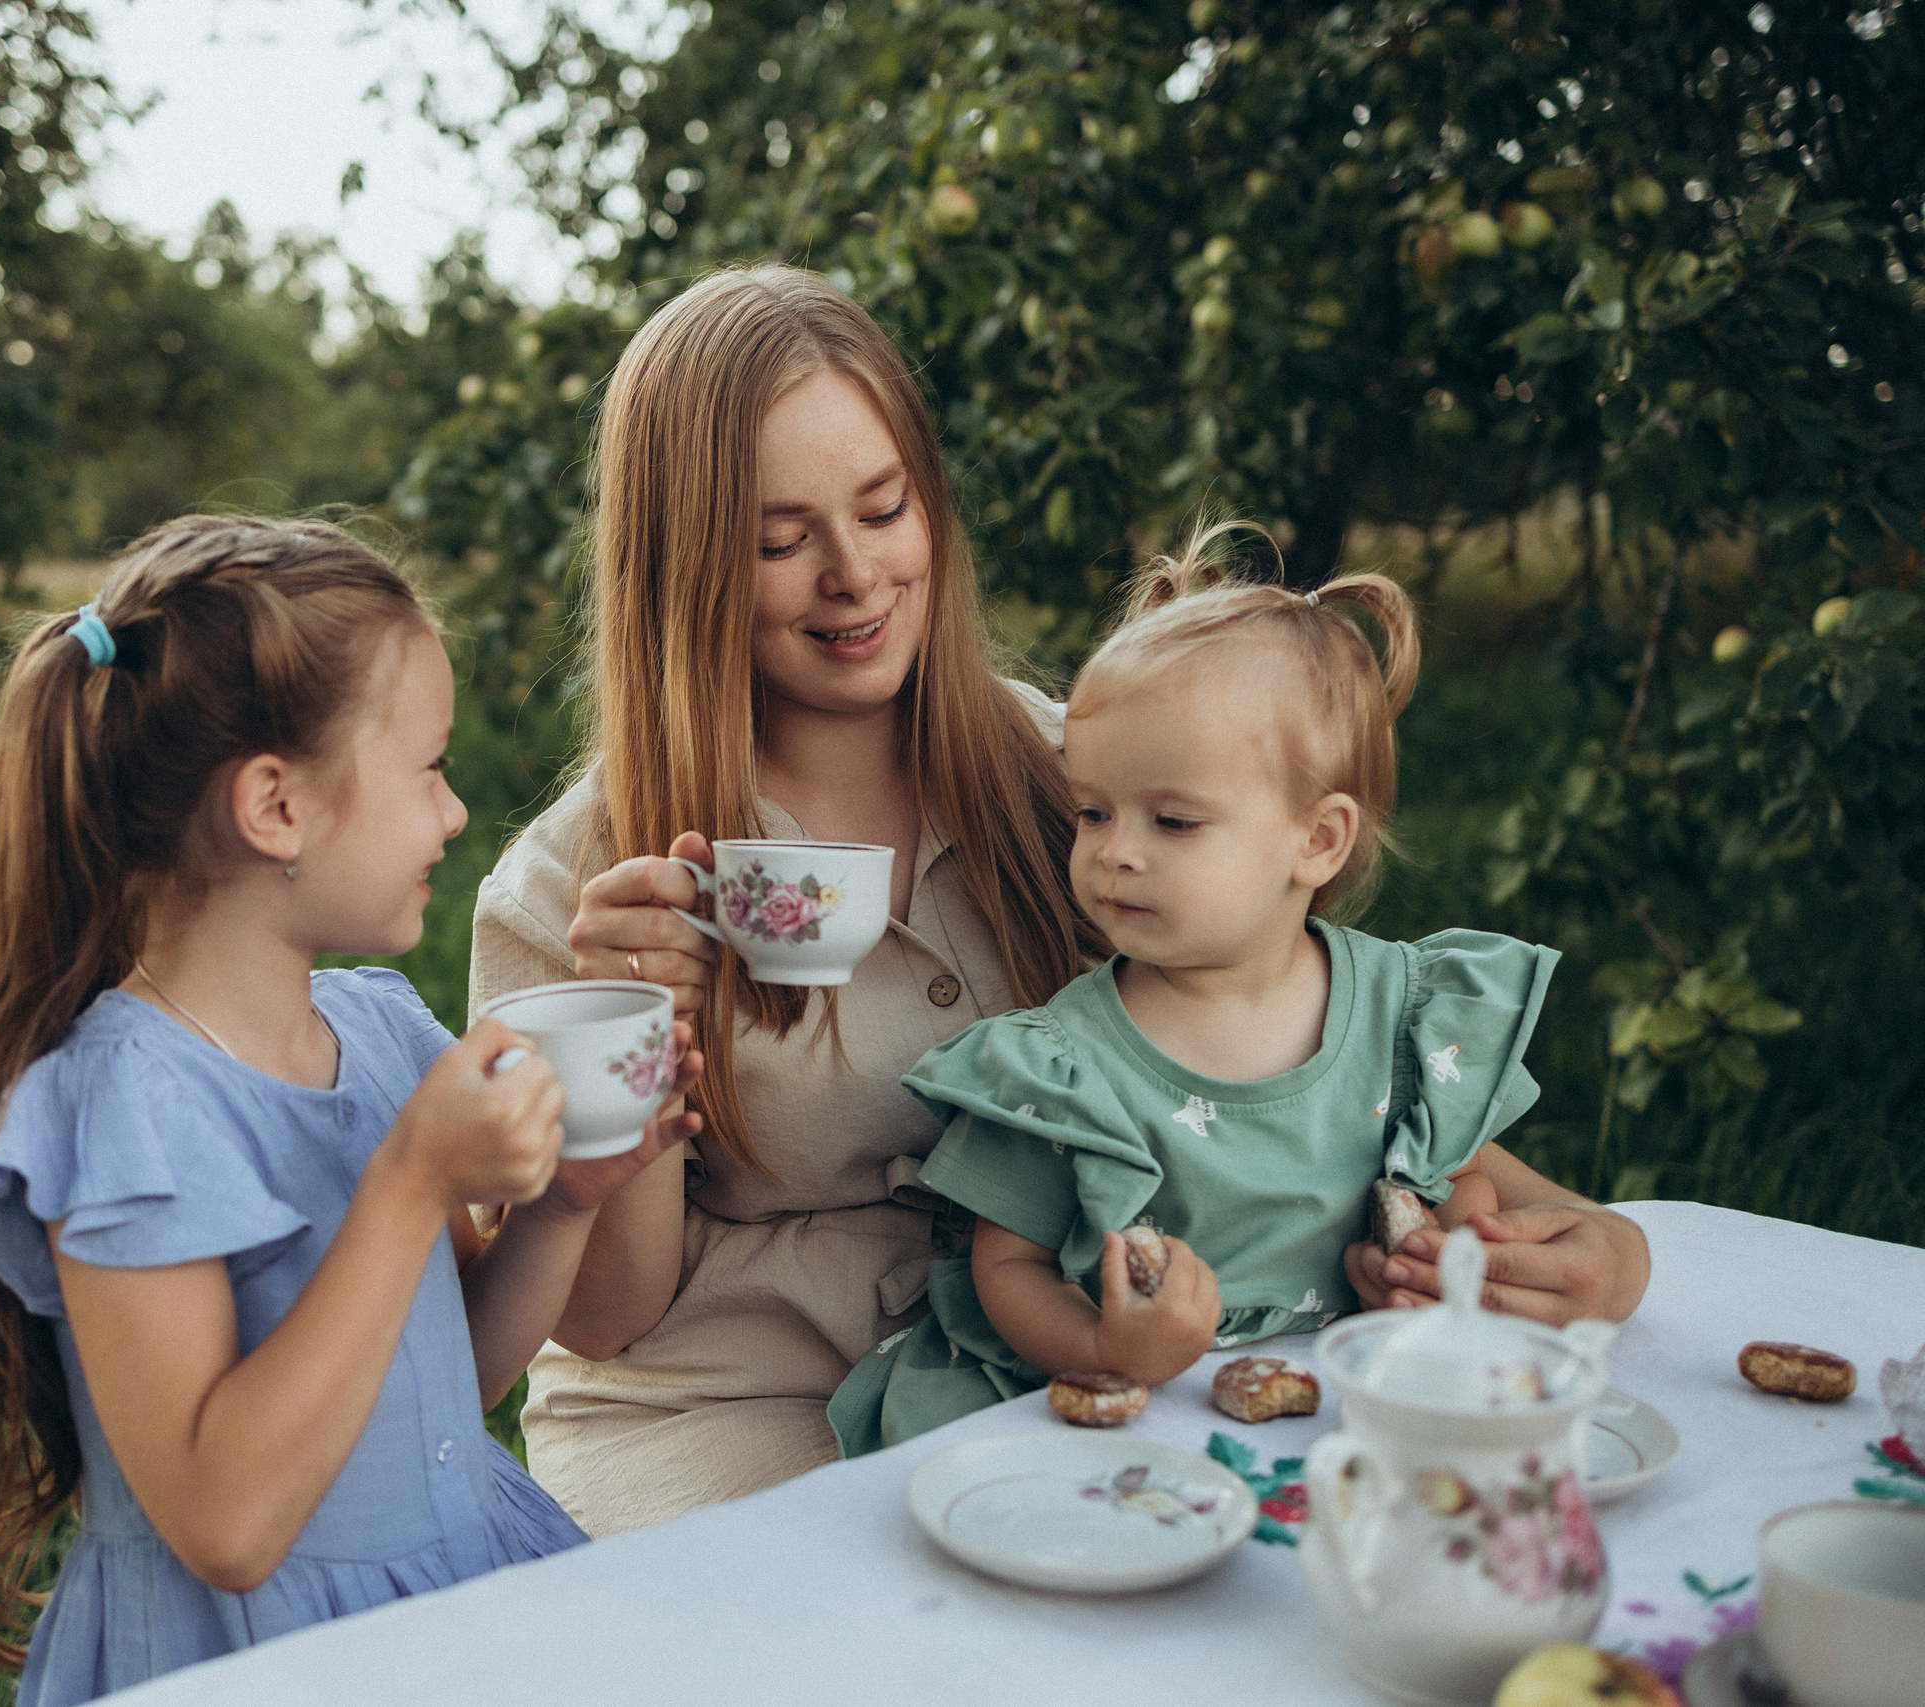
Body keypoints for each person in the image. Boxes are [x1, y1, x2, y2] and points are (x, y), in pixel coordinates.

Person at [472, 266, 1649, 1535]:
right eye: (777, 540)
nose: (855, 574)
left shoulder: (1086, 786)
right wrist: (639, 1035)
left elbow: (1302, 1040)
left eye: (884, 508)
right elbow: (603, 1320)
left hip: (1053, 1353)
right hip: (728, 1402)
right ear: (683, 564)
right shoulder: (582, 884)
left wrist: (1580, 1237)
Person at [0, 516, 698, 1704]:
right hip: (256, 1652)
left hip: (451, 1582)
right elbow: (224, 1522)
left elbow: (452, 1375)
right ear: (275, 807)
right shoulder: (126, 1106)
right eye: (427, 769)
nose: (452, 813)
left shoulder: (376, 1033)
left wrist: (564, 1206)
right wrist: (407, 1185)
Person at [829, 522, 1546, 1453]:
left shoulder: (1400, 1014)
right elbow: (1007, 1267)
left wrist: (1443, 1249)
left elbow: (1461, 1178)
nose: (1113, 851)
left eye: (1172, 819)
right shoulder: (1065, 1064)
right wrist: (1101, 1340)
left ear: (1317, 840)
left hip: (1336, 1408)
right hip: (1118, 1415)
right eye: (1093, 811)